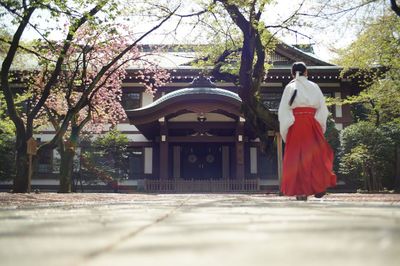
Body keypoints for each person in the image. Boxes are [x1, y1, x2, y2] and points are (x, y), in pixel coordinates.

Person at [278, 62, 336, 200]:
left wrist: (286, 128)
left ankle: (301, 191)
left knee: (296, 158)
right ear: (306, 72)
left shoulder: (289, 87)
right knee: (316, 156)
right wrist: (319, 125)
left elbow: (284, 110)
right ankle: (319, 187)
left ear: (292, 73)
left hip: (295, 123)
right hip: (312, 122)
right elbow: (322, 108)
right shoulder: (314, 86)